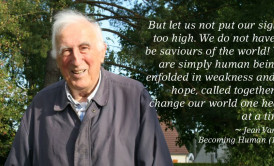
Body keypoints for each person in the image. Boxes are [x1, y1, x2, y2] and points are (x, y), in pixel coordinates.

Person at [5, 9, 173, 166]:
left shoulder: (135, 98)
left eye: (84, 48)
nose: (76, 60)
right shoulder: (40, 106)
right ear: (57, 59)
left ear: (102, 52)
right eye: (66, 51)